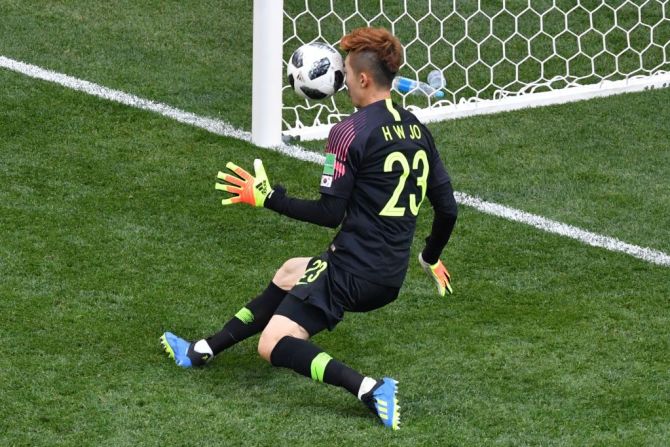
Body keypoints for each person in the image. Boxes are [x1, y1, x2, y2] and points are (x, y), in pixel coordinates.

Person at [160, 27, 458, 430]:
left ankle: (369, 388)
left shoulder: (348, 133)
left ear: (365, 79)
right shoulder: (417, 129)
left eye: (347, 73)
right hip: (389, 275)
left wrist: (268, 198)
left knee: (274, 345)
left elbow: (329, 213)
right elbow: (448, 209)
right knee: (289, 272)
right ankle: (202, 349)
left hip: (352, 271)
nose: (343, 80)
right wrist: (429, 257)